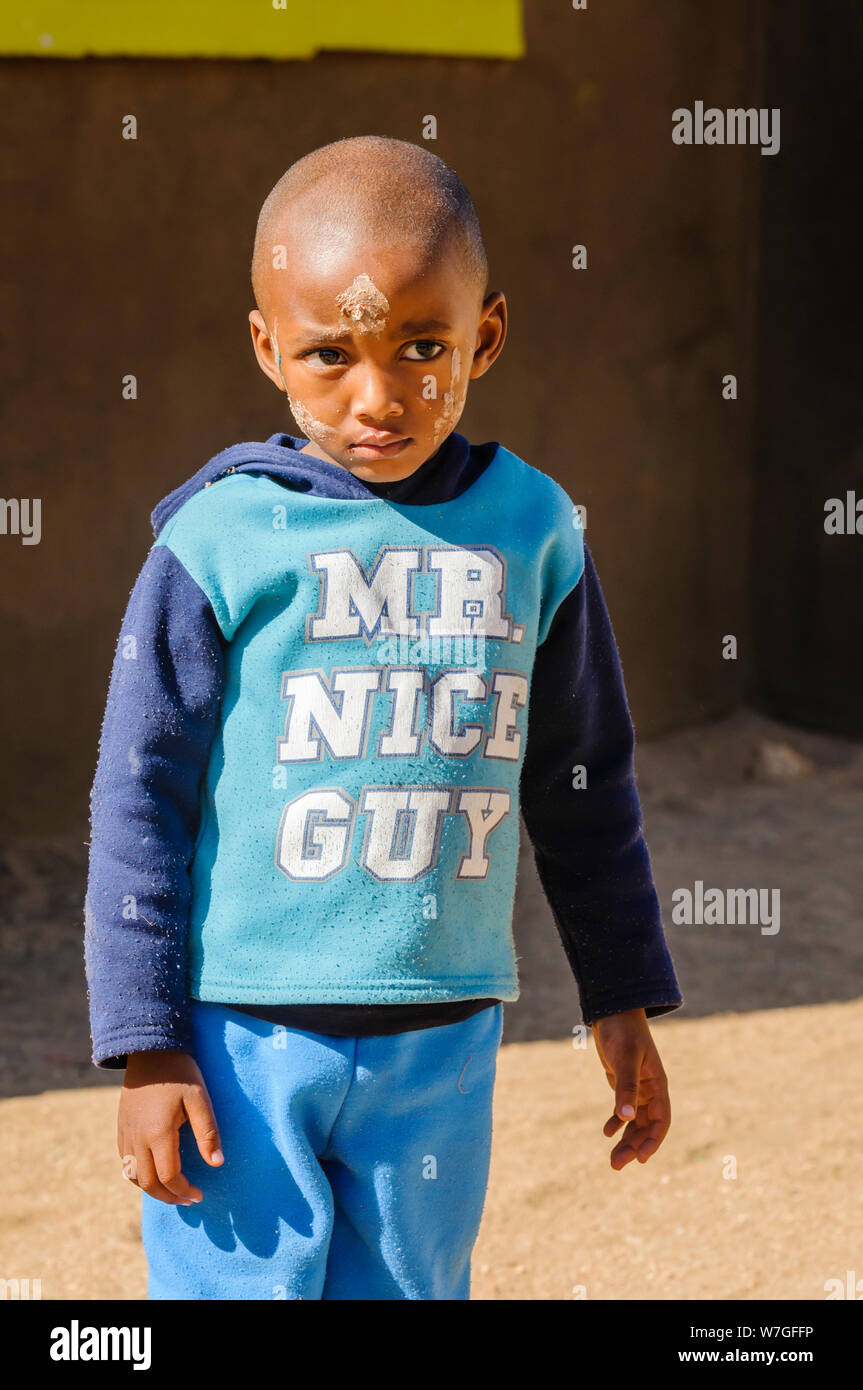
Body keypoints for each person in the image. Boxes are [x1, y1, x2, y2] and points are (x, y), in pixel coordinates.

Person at [84, 134, 683, 1301]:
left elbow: (581, 780)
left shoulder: (535, 532)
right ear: (267, 348)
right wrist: (145, 1042)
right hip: (238, 1039)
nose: (378, 397)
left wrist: (619, 993)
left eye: (422, 347)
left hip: (440, 1038)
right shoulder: (218, 540)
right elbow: (138, 791)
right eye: (327, 355)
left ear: (485, 336)